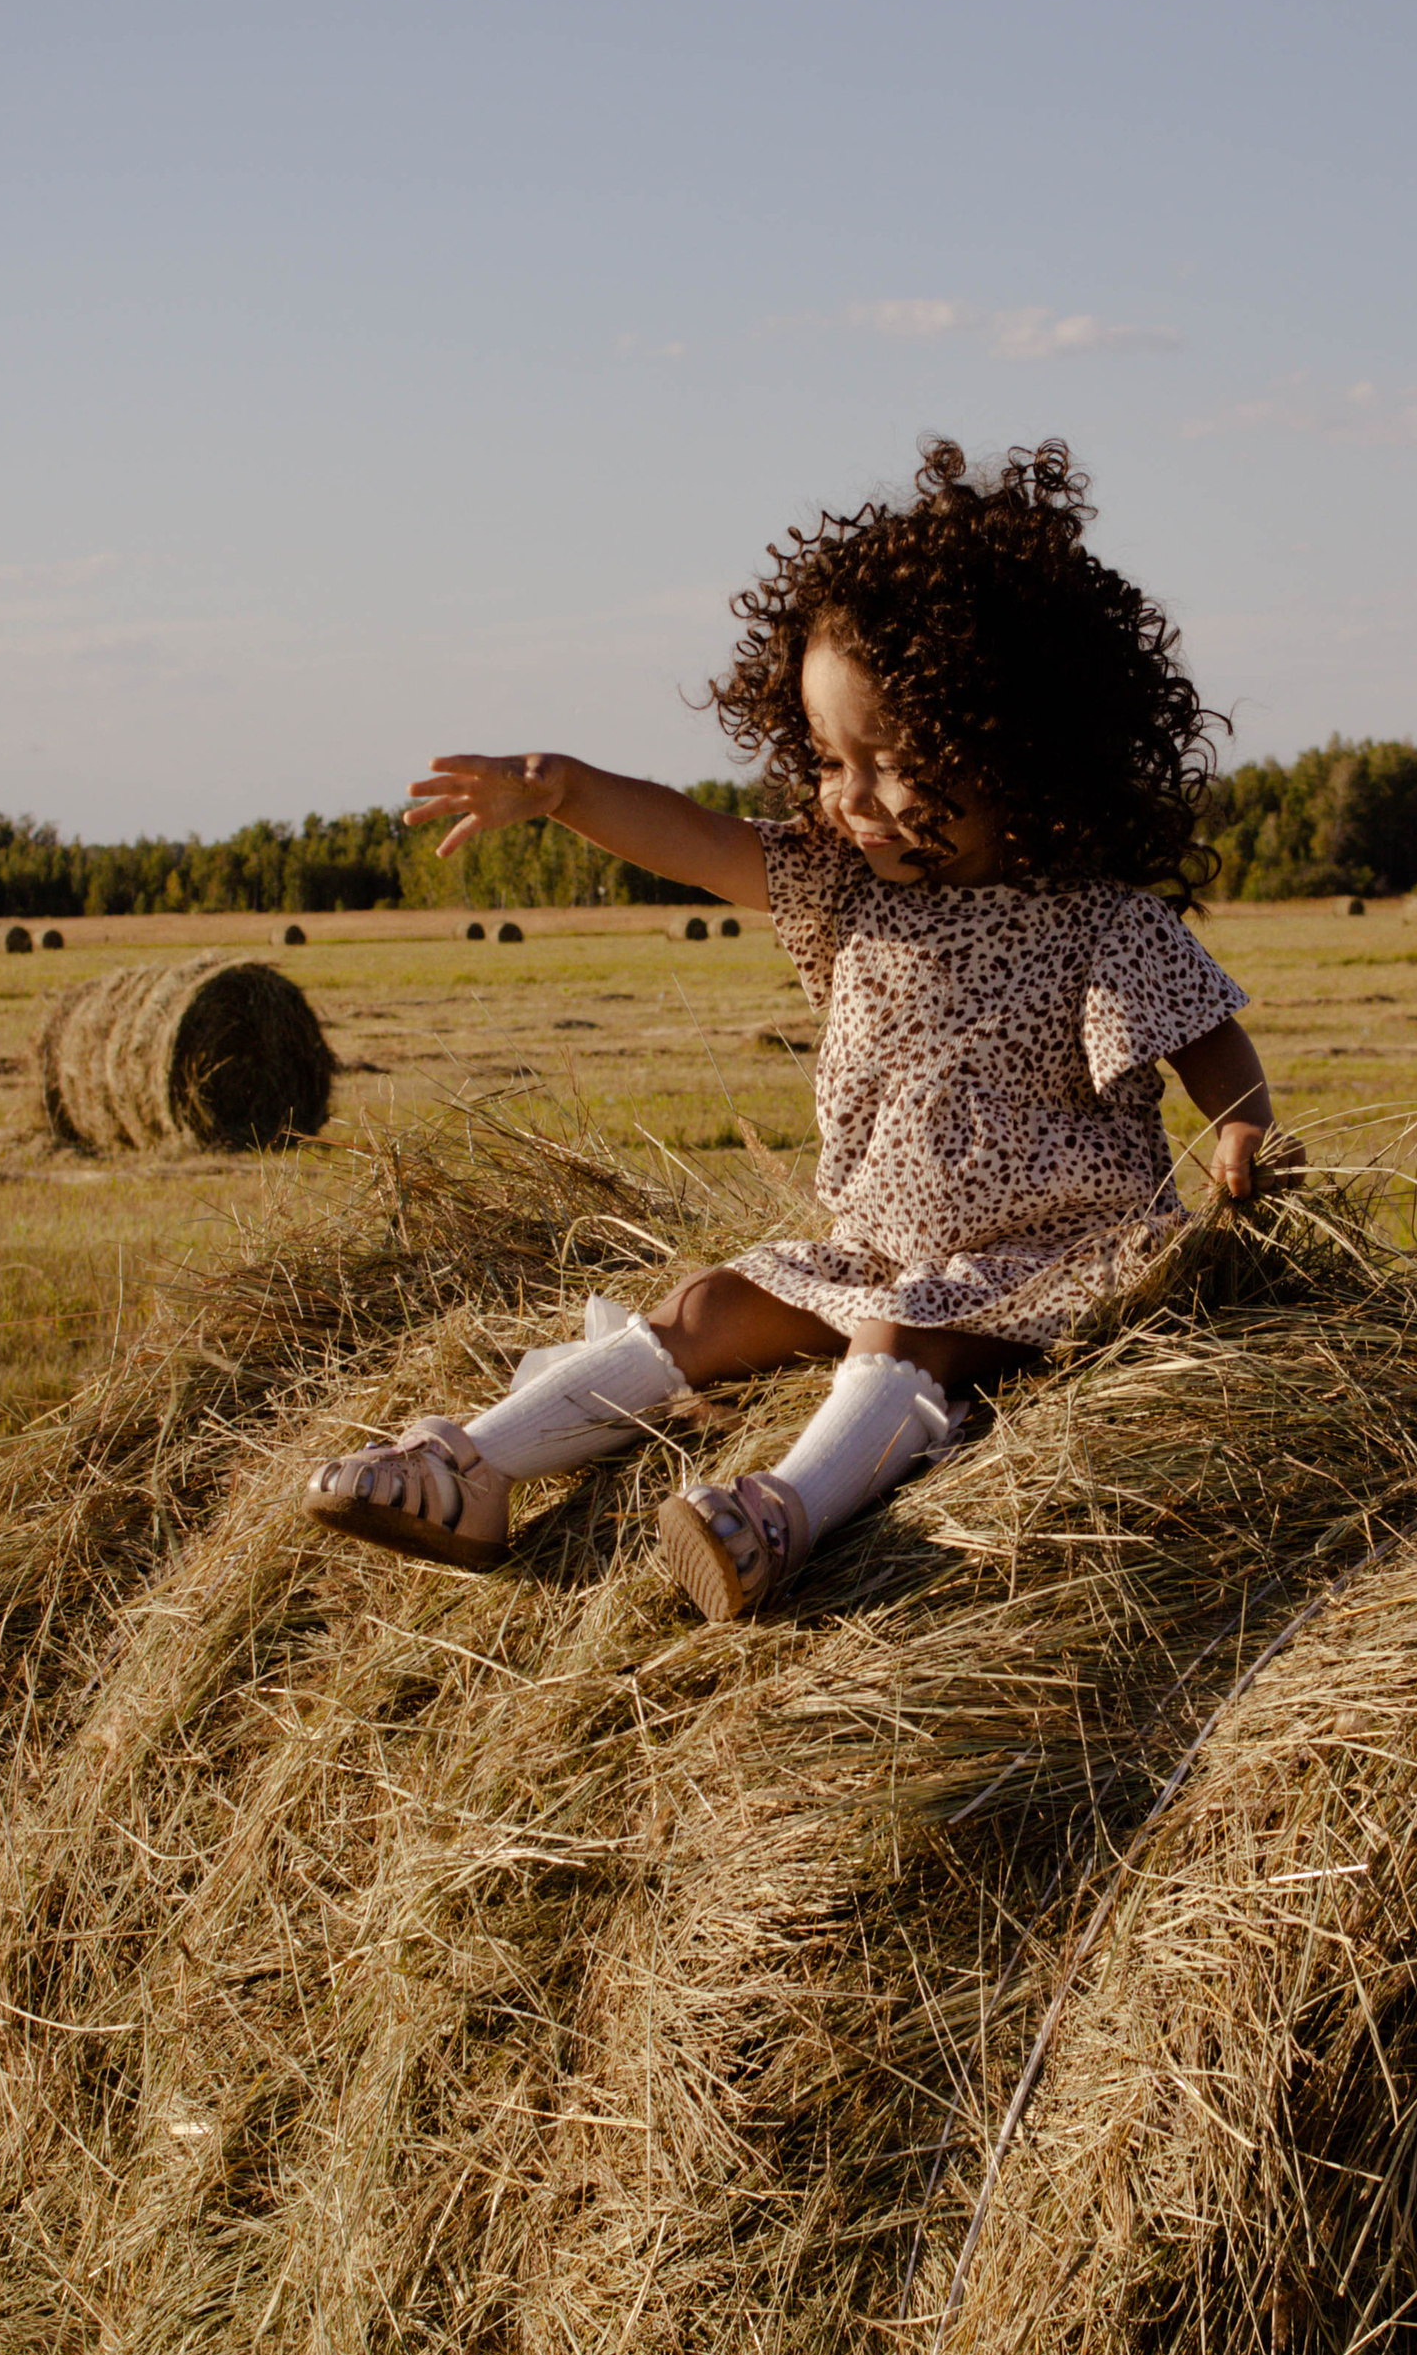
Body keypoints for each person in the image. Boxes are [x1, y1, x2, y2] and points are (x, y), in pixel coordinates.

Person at [304, 439, 1285, 1622]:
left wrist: (1242, 1131)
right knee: (707, 1308)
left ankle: (785, 1512)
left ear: (1016, 750)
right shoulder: (846, 888)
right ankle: (471, 1471)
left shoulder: (1097, 919)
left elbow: (1206, 1040)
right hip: (879, 1247)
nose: (849, 796)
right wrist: (565, 791)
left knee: (898, 1331)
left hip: (1054, 1262)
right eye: (829, 759)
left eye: (891, 764)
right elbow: (698, 837)